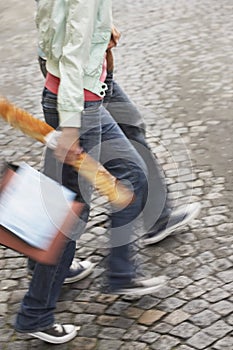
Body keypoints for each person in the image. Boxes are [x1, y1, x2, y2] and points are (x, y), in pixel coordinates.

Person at [14, 0, 168, 344]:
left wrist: (100, 37)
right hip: (79, 109)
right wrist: (70, 126)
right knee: (73, 210)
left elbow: (52, 30)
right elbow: (72, 51)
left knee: (118, 182)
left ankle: (117, 272)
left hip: (71, 98)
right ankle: (37, 311)